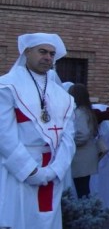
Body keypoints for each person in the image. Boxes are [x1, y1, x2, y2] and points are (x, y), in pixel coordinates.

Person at [0, 33, 76, 228]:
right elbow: (4, 136)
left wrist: (56, 169)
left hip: (52, 171)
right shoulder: (7, 87)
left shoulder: (63, 96)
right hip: (17, 171)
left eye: (52, 54)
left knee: (48, 221)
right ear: (27, 52)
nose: (48, 57)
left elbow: (69, 138)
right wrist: (31, 171)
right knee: (19, 219)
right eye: (42, 52)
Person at [69, 83, 100, 198]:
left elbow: (83, 134)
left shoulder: (80, 112)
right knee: (83, 188)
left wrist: (69, 143)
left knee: (81, 189)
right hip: (86, 155)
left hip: (81, 156)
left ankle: (85, 212)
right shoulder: (87, 110)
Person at [90, 104, 109, 209]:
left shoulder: (107, 127)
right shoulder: (101, 125)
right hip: (99, 159)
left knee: (103, 184)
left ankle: (104, 204)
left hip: (105, 159)